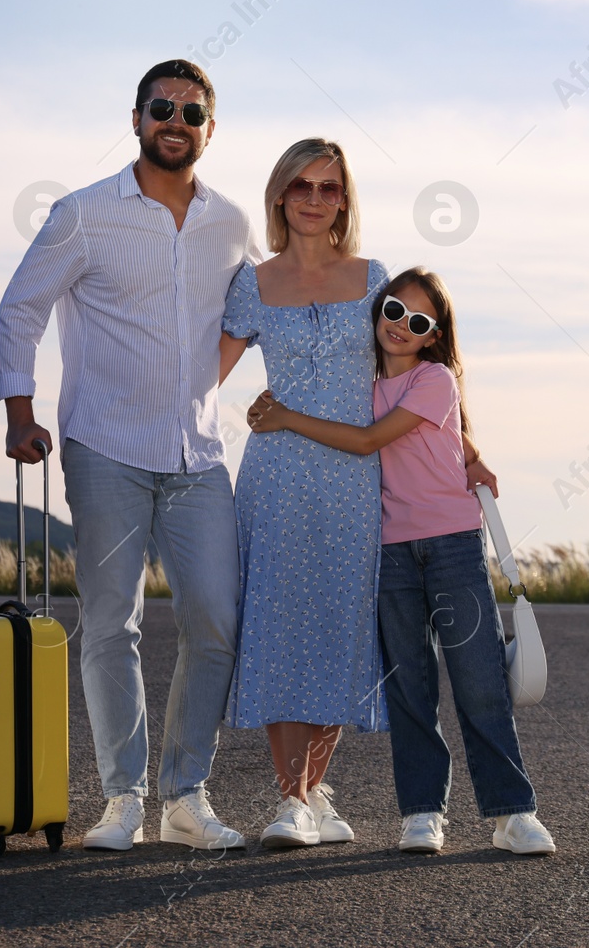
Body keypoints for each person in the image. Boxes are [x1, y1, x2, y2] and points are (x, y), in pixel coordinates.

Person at [0, 60, 258, 852]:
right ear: (136, 117)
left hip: (199, 455)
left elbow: (242, 317)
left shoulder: (233, 223)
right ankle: (122, 799)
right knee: (113, 624)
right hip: (104, 446)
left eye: (192, 111)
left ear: (212, 127)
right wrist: (19, 412)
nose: (176, 121)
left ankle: (186, 795)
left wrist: (209, 382)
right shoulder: (82, 214)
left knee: (216, 618)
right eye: (162, 107)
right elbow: (20, 308)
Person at [246, 267, 556, 856]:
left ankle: (512, 813)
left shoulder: (436, 377)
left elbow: (367, 441)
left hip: (452, 548)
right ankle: (422, 814)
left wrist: (285, 416)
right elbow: (434, 437)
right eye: (392, 310)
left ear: (431, 336)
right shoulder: (359, 384)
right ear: (379, 309)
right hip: (387, 551)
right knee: (409, 690)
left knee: (479, 683)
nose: (399, 326)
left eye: (416, 322)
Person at [216, 138, 389, 848]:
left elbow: (413, 372)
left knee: (341, 628)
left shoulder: (375, 278)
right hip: (277, 475)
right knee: (281, 627)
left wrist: (461, 444)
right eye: (301, 186)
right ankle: (290, 799)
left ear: (344, 199)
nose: (314, 199)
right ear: (280, 196)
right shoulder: (252, 283)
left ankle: (315, 786)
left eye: (328, 187)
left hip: (354, 478)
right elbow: (202, 378)